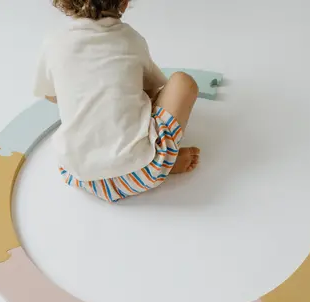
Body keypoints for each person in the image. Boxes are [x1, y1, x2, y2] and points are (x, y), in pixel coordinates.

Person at [34, 0, 200, 202]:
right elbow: (151, 89)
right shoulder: (131, 39)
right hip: (144, 171)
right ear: (124, 3)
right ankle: (165, 161)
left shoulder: (53, 43)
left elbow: (51, 95)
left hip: (78, 173)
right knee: (183, 83)